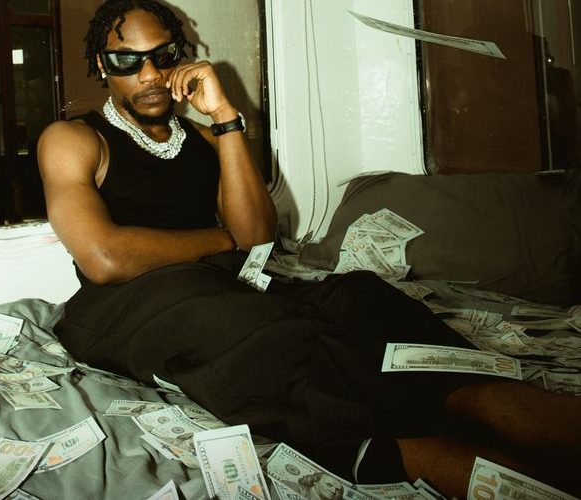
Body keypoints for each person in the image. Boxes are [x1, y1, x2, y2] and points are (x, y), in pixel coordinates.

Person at [37, 0, 581, 497]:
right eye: (128, 61)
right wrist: (222, 241)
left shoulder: (203, 139)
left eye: (163, 57)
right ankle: (386, 443)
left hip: (222, 283)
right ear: (103, 67)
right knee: (269, 337)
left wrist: (224, 118)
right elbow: (105, 258)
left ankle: (466, 395)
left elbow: (258, 235)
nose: (151, 75)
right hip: (130, 304)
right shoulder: (74, 139)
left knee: (361, 298)